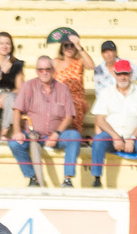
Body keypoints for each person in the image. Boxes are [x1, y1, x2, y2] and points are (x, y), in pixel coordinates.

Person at [8, 55, 82, 187]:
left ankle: (67, 179)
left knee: (74, 136)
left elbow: (69, 115)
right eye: (41, 70)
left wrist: (56, 133)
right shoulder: (28, 86)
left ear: (53, 70)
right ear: (37, 71)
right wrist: (17, 131)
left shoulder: (63, 89)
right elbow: (17, 109)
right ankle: (32, 178)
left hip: (56, 135)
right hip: (32, 135)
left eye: (47, 69)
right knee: (14, 143)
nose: (44, 72)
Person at [89, 58, 137, 187]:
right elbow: (99, 119)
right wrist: (115, 137)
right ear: (114, 74)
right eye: (119, 74)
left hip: (135, 137)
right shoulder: (106, 92)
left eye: (125, 74)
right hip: (111, 136)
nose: (122, 77)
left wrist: (132, 137)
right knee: (98, 140)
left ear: (131, 74)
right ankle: (97, 179)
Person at [53, 32, 93, 133]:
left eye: (72, 45)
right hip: (59, 97)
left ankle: (74, 135)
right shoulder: (56, 62)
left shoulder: (79, 62)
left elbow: (91, 65)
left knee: (73, 103)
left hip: (76, 98)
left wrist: (79, 46)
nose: (69, 48)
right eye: (66, 45)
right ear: (62, 48)